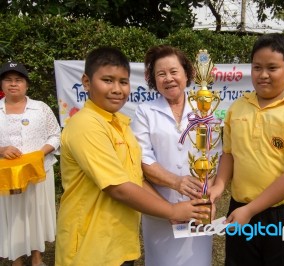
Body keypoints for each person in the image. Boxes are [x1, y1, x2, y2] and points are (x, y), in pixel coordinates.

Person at [55, 46, 210, 266]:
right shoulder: (86, 126)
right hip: (90, 246)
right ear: (87, 82)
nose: (117, 89)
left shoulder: (121, 125)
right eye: (107, 80)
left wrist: (173, 211)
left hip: (119, 242)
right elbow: (118, 187)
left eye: (123, 82)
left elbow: (135, 177)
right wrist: (171, 209)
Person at [208, 33, 284, 266]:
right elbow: (229, 154)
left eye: (272, 68)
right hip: (239, 208)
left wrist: (251, 210)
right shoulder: (238, 107)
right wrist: (219, 186)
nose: (263, 75)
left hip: (283, 213)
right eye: (256, 67)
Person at [131, 45, 219, 266]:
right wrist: (175, 184)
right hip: (159, 204)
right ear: (153, 79)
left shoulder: (204, 108)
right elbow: (143, 158)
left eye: (174, 71)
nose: (168, 78)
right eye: (161, 74)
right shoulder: (145, 111)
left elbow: (214, 156)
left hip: (197, 207)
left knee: (197, 260)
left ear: (186, 73)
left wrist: (209, 198)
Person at [0, 61, 61, 266]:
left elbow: (55, 135)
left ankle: (37, 257)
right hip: (7, 176)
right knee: (12, 215)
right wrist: (1, 150)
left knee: (36, 214)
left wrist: (39, 154)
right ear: (2, 85)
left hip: (38, 171)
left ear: (26, 85)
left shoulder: (40, 108)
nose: (13, 84)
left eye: (18, 80)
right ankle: (16, 259)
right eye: (8, 80)